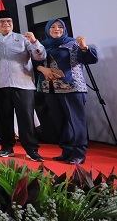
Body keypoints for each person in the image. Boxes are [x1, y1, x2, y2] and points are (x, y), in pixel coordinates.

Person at [35, 19, 98, 164]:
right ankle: (67, 150)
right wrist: (41, 68)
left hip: (72, 87)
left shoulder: (73, 43)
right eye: (53, 27)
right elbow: (34, 62)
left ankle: (79, 153)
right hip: (50, 89)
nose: (56, 29)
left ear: (64, 29)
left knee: (76, 121)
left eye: (60, 27)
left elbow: (90, 59)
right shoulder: (42, 45)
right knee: (60, 122)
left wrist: (84, 48)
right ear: (47, 30)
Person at [0, 9, 46, 161]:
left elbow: (40, 56)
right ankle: (7, 147)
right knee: (4, 118)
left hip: (23, 84)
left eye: (9, 21)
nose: (6, 24)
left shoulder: (23, 39)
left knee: (26, 118)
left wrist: (34, 41)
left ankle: (31, 149)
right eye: (2, 21)